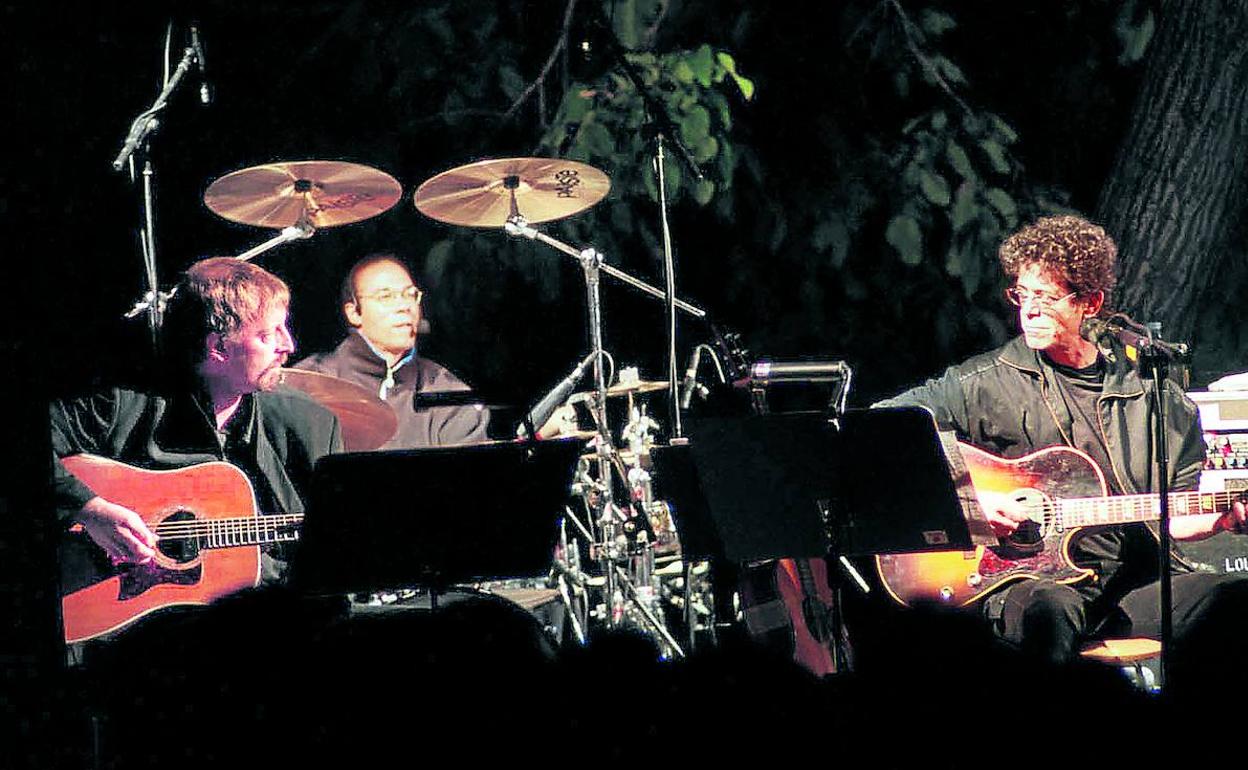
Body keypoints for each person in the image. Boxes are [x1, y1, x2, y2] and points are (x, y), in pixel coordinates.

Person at [878, 214, 1248, 665]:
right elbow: (887, 429)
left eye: (1047, 297)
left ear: (1089, 304)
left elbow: (1172, 516)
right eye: (1022, 293)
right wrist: (972, 504)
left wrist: (1221, 519)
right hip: (1031, 583)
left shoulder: (1159, 403)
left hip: (1131, 583)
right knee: (1048, 614)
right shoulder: (986, 382)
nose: (1028, 310)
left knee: (1234, 601)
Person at [52, 257, 343, 585]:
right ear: (218, 347)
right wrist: (90, 509)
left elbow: (331, 556)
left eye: (284, 328)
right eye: (268, 335)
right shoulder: (119, 401)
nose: (288, 345)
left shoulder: (307, 424)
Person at [294, 253, 489, 448]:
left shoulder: (447, 392)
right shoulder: (309, 382)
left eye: (411, 295)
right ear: (354, 312)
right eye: (385, 296)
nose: (404, 306)